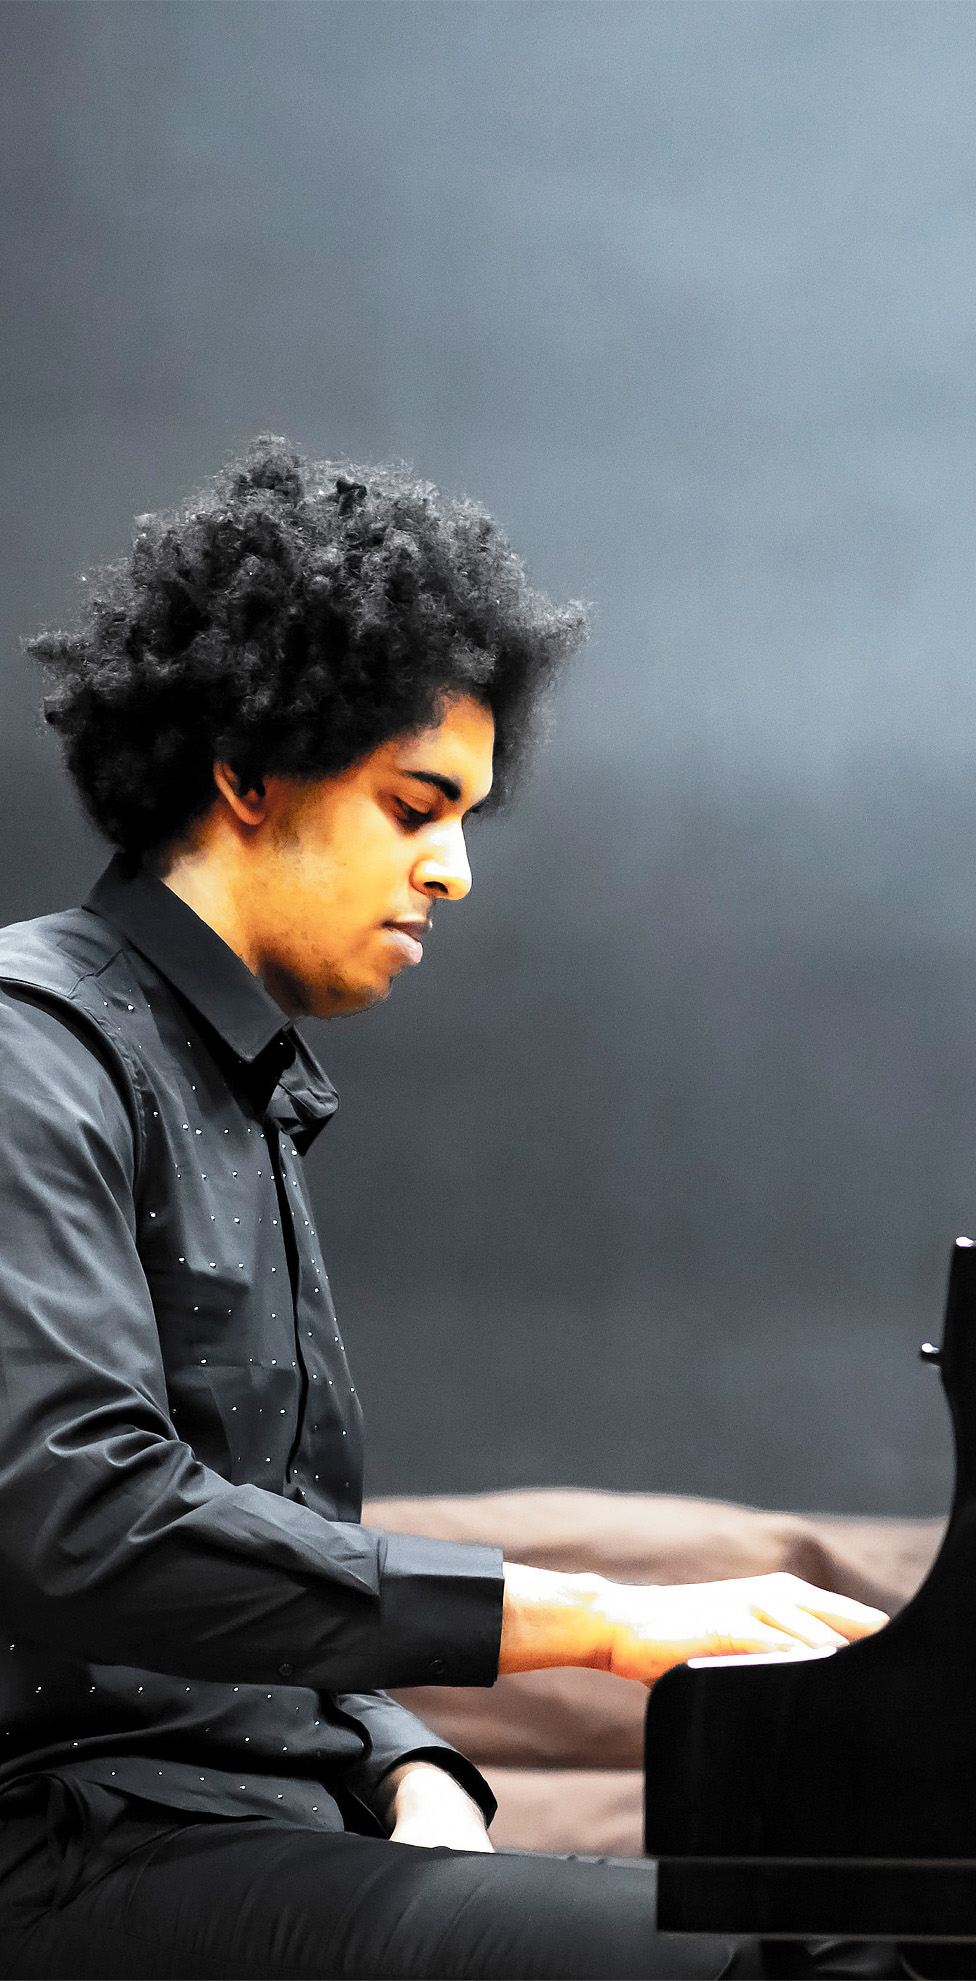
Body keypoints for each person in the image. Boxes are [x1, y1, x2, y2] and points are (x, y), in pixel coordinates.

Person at [0, 440, 891, 1979]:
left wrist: (406, 1757)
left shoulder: (235, 1085)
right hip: (72, 1842)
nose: (455, 871)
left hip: (244, 1824)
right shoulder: (32, 1044)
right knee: (798, 1956)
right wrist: (603, 1618)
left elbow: (264, 1574)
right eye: (418, 805)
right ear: (246, 773)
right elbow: (91, 1525)